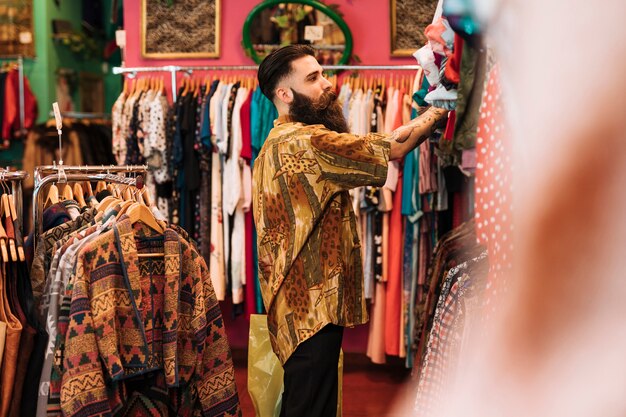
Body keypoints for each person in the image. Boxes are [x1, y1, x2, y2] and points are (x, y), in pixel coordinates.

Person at [253, 44, 447, 417]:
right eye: (313, 78)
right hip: (311, 310)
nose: (327, 84)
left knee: (308, 403)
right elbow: (393, 146)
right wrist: (441, 109)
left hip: (296, 309)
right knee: (309, 407)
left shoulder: (275, 143)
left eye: (322, 73)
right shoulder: (304, 141)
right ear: (284, 94)